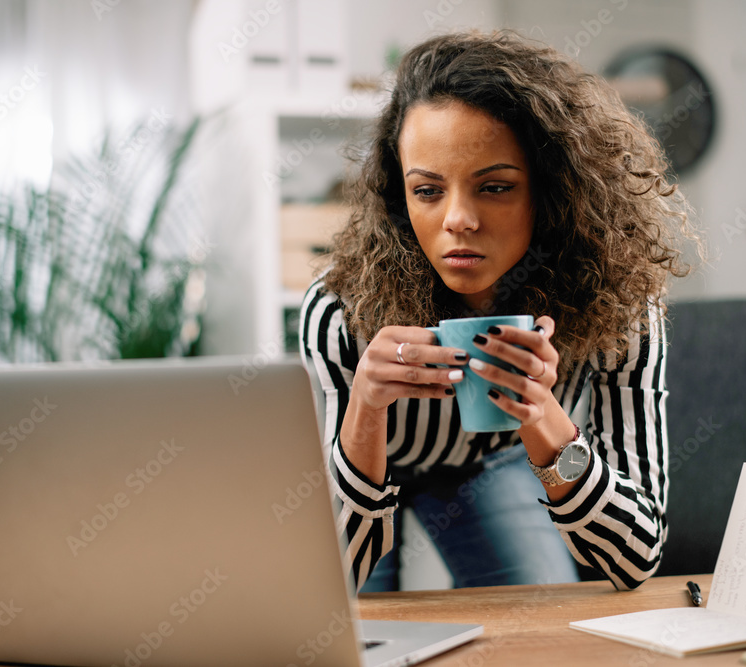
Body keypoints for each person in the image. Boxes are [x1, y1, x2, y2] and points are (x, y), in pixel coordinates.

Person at [299, 30, 697, 592]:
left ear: (555, 190)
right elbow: (334, 577)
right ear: (398, 194)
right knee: (358, 630)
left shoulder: (621, 308)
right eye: (428, 190)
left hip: (494, 464)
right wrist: (364, 408)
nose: (458, 219)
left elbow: (633, 559)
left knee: (538, 621)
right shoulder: (340, 307)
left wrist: (541, 416)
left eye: (494, 187)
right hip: (366, 467)